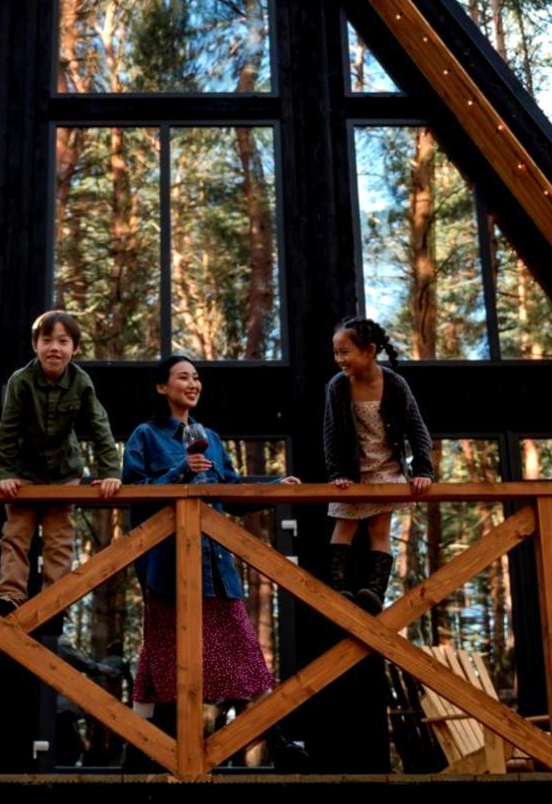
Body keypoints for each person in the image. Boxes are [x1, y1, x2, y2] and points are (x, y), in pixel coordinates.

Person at [122, 354, 302, 766]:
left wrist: (273, 486)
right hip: (167, 566)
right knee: (161, 658)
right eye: (183, 377)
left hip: (217, 567)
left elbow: (231, 492)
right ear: (161, 387)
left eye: (196, 377)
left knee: (243, 649)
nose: (193, 383)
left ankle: (276, 741)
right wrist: (180, 473)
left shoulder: (212, 437)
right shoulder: (145, 436)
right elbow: (135, 492)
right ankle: (139, 749)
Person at [0, 310, 122, 611]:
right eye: (46, 340)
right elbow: (8, 430)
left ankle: (55, 601)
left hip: (64, 471)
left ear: (74, 349)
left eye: (63, 341)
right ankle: (10, 596)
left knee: (59, 538)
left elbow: (99, 426)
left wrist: (110, 472)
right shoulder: (21, 381)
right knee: (16, 535)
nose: (54, 348)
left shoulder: (82, 382)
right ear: (35, 345)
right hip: (25, 472)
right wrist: (6, 472)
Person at [323, 316, 434, 611]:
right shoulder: (337, 386)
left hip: (387, 468)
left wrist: (423, 471)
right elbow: (331, 433)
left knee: (379, 529)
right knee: (343, 526)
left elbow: (417, 429)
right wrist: (338, 473)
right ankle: (338, 587)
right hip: (352, 470)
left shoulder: (395, 384)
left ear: (369, 350)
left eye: (345, 352)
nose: (339, 359)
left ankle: (375, 590)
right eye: (336, 353)